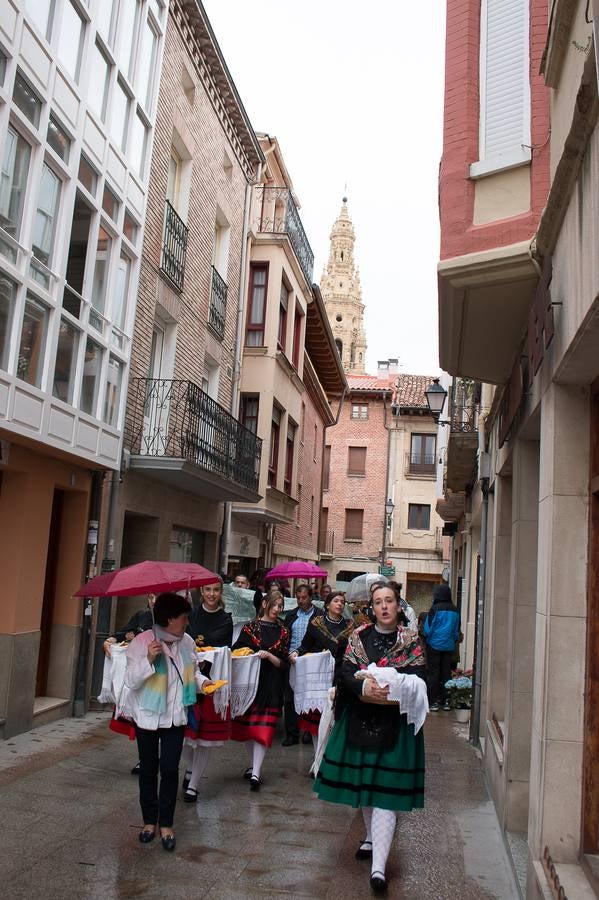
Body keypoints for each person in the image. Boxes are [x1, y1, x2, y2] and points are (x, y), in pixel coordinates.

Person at [314, 583, 426, 894]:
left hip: (397, 725)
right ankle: (371, 836)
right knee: (367, 787)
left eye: (389, 601)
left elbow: (422, 677)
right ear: (372, 608)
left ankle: (379, 868)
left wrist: (395, 686)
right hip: (361, 719)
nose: (385, 607)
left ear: (398, 605)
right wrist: (364, 688)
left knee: (385, 794)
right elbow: (346, 673)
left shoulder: (412, 639)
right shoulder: (358, 637)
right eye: (379, 602)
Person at [119, 592, 212, 852]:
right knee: (149, 769)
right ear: (169, 618)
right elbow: (131, 681)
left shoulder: (187, 642)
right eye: (183, 618)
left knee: (170, 769)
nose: (186, 623)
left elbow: (192, 672)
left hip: (175, 717)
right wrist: (149, 659)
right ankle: (149, 821)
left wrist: (204, 684)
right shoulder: (142, 642)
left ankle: (167, 824)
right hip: (147, 717)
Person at [230, 592, 289, 790]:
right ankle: (252, 764)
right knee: (248, 727)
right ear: (264, 604)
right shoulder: (250, 628)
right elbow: (237, 650)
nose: (277, 609)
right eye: (274, 605)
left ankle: (256, 772)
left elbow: (283, 662)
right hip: (250, 683)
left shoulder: (283, 630)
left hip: (271, 683)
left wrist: (269, 656)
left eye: (280, 606)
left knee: (264, 727)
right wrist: (252, 653)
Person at [182, 579, 233, 802]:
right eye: (208, 590)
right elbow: (185, 640)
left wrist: (201, 648)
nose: (212, 594)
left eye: (216, 590)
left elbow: (220, 645)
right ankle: (192, 767)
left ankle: (193, 785)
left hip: (213, 681)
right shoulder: (190, 615)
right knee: (183, 734)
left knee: (204, 738)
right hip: (187, 678)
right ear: (201, 591)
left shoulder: (225, 619)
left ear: (221, 592)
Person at [290, 590, 354, 740]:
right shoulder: (317, 623)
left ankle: (329, 755)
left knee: (334, 716)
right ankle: (317, 758)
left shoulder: (349, 627)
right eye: (336, 601)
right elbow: (305, 645)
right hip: (318, 676)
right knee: (317, 719)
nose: (340, 604)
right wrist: (296, 653)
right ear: (327, 605)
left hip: (339, 675)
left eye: (342, 602)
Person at [282, 584, 317, 745]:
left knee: (310, 697)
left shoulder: (319, 615)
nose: (301, 601)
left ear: (311, 597)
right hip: (292, 659)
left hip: (311, 660)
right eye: (298, 598)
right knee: (290, 697)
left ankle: (309, 731)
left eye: (304, 597)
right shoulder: (291, 616)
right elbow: (285, 637)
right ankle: (292, 733)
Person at [423, 583, 461, 712]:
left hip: (434, 645)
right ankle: (445, 701)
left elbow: (428, 628)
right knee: (446, 674)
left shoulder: (435, 608)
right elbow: (456, 630)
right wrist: (453, 640)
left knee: (433, 674)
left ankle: (433, 702)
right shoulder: (455, 610)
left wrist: (428, 639)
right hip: (449, 646)